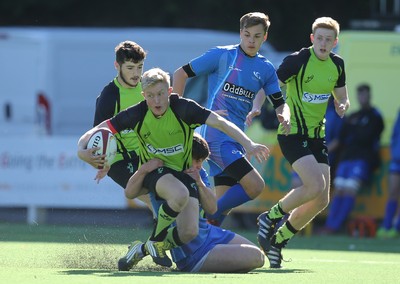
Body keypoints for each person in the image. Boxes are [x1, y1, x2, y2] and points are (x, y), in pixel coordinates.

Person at [77, 68, 269, 267]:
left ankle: (145, 248)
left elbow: (220, 122)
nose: (157, 101)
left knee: (197, 233)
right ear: (144, 96)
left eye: (160, 94)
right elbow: (100, 128)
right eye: (151, 96)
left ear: (169, 92)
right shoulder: (136, 114)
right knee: (179, 195)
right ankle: (155, 242)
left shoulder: (184, 109)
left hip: (184, 180)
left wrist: (249, 144)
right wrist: (80, 150)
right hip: (157, 172)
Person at [173, 12, 290, 226]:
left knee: (218, 214)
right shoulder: (222, 55)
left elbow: (280, 102)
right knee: (255, 186)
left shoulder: (265, 69)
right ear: (240, 33)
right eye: (247, 35)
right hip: (216, 136)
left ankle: (197, 237)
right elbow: (180, 74)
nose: (251, 41)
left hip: (236, 138)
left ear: (265, 37)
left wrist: (284, 115)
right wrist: (179, 116)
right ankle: (198, 221)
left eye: (257, 36)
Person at [256, 17, 350, 268]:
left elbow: (342, 95)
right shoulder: (297, 60)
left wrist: (342, 105)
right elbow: (269, 86)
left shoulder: (337, 64)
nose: (323, 42)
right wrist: (258, 106)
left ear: (335, 43)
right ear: (312, 39)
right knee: (314, 185)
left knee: (321, 199)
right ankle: (270, 217)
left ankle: (278, 240)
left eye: (328, 39)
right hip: (292, 133)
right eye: (319, 38)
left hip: (316, 135)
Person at [118, 133, 265, 272]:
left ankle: (142, 249)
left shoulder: (199, 173)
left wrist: (200, 183)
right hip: (193, 252)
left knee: (258, 255)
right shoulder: (163, 174)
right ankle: (145, 248)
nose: (199, 165)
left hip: (209, 233)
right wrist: (143, 170)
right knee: (256, 258)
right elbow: (130, 193)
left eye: (202, 161)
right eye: (197, 160)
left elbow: (212, 209)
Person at [77, 41, 152, 208]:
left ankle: (167, 232)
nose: (136, 73)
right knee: (155, 200)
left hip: (148, 155)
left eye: (140, 67)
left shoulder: (147, 87)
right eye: (130, 67)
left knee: (171, 198)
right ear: (117, 66)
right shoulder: (109, 96)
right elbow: (97, 133)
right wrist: (84, 154)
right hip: (120, 162)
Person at [321, 83, 384, 234]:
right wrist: (324, 151)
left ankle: (335, 226)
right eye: (360, 94)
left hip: (362, 159)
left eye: (365, 94)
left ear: (369, 95)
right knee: (339, 190)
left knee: (349, 189)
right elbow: (341, 139)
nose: (363, 97)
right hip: (346, 158)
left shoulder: (375, 116)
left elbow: (369, 138)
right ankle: (329, 225)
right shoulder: (353, 116)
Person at [377, 109, 400, 238]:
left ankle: (396, 228)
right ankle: (386, 225)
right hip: (397, 158)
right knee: (392, 192)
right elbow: (395, 133)